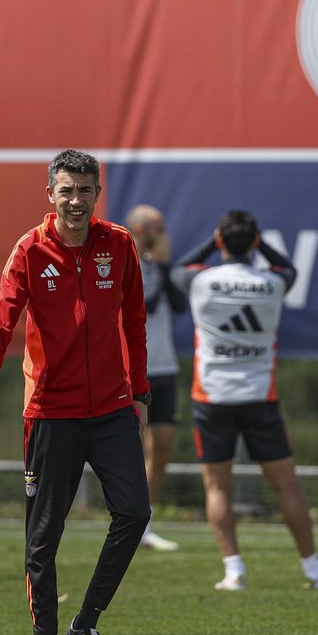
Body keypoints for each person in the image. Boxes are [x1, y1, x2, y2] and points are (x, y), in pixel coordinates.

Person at [0, 150, 151, 635]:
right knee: (43, 537)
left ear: (98, 194)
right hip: (50, 412)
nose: (75, 201)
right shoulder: (30, 249)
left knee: (135, 513)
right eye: (66, 190)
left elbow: (135, 322)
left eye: (84, 190)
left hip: (112, 408)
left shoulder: (119, 244)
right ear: (50, 194)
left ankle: (84, 625)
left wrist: (140, 393)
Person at [172, 210, 318, 592]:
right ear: (254, 242)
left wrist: (215, 241)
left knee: (217, 488)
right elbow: (290, 269)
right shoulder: (272, 282)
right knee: (286, 486)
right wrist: (260, 243)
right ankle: (314, 569)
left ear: (220, 241)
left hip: (212, 397)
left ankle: (234, 571)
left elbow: (179, 268)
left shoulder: (201, 280)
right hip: (259, 397)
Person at [126, 204, 187, 552]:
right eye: (157, 228)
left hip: (165, 368)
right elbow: (143, 304)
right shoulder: (125, 264)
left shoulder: (161, 266)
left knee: (161, 447)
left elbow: (178, 304)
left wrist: (163, 265)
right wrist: (159, 267)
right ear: (140, 229)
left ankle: (145, 525)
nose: (163, 235)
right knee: (132, 448)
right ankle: (128, 518)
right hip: (136, 369)